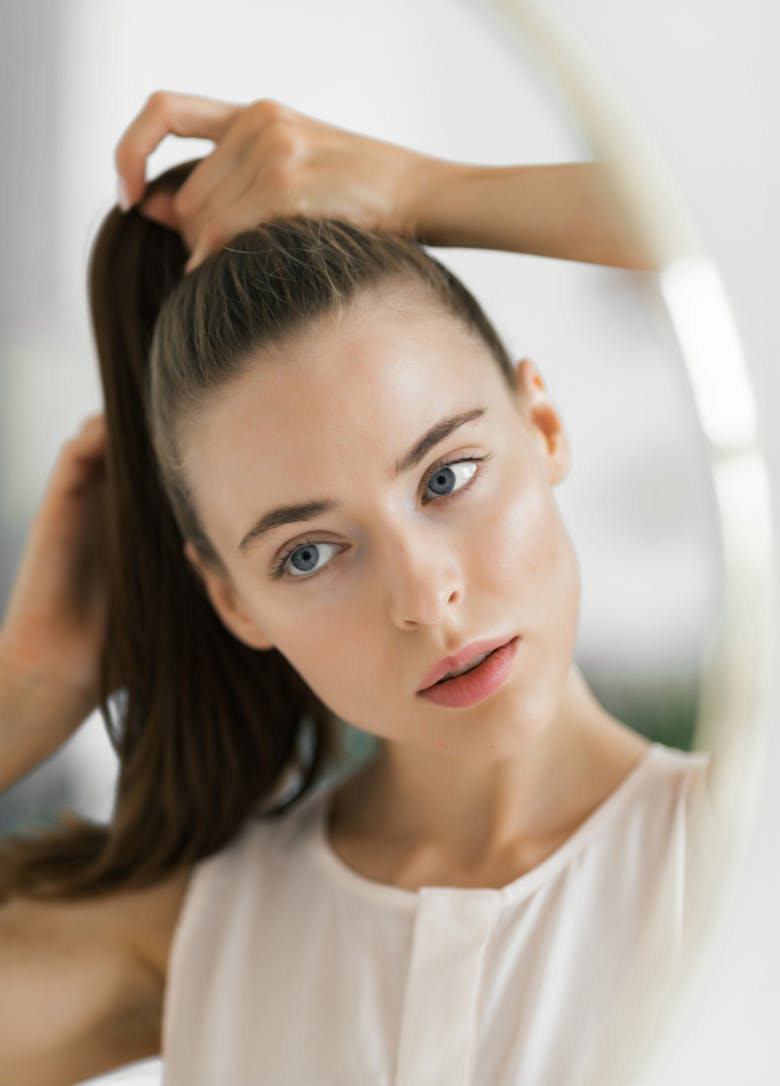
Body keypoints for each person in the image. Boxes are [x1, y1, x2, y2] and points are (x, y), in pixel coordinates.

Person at [0, 92, 718, 1085]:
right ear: (232, 599)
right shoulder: (200, 933)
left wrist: (436, 193)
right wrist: (25, 699)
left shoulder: (737, 861)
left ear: (542, 426)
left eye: (447, 477)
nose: (425, 597)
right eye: (306, 553)